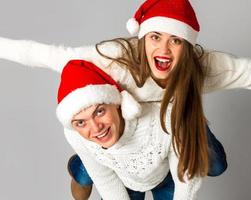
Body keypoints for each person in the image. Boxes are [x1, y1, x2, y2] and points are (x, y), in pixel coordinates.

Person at [0, 0, 251, 195]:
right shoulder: (116, 59)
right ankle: (82, 164)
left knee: (216, 165)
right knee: (94, 165)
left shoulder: (203, 67)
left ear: (188, 46)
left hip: (172, 127)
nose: (164, 50)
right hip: (121, 137)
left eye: (176, 40)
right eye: (155, 37)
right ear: (142, 38)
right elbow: (46, 55)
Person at [56, 59, 202, 200]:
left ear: (116, 103)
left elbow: (187, 176)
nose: (96, 128)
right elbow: (106, 180)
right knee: (84, 180)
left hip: (161, 173)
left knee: (214, 163)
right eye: (81, 122)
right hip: (122, 177)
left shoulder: (164, 121)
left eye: (100, 111)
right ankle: (82, 165)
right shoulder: (75, 135)